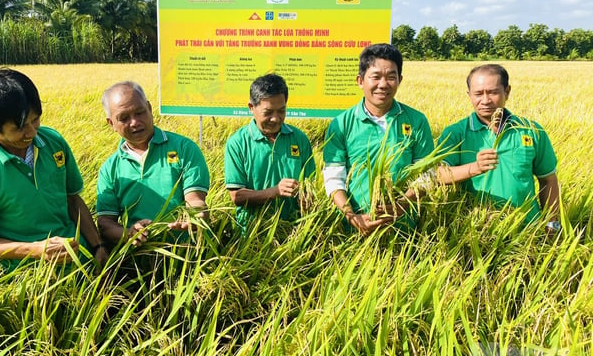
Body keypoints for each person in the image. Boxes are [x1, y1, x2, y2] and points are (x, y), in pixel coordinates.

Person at [0, 67, 107, 272]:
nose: (31, 132)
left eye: (36, 120)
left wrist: (98, 246)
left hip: (80, 263)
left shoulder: (53, 142)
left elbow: (72, 199)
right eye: (19, 127)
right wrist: (37, 250)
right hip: (25, 276)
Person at [322, 43, 435, 234]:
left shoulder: (416, 121)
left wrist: (402, 205)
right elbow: (334, 178)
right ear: (360, 81)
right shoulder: (341, 124)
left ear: (400, 80)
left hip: (404, 231)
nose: (383, 84)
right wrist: (351, 216)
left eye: (391, 77)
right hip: (354, 229)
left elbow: (427, 173)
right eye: (375, 77)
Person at [437, 63, 560, 232]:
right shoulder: (456, 133)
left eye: (493, 92)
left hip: (527, 231)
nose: (485, 100)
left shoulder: (531, 131)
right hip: (474, 230)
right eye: (478, 94)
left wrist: (552, 223)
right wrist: (475, 168)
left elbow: (548, 179)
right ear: (469, 95)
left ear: (507, 91)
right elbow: (438, 175)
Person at [96, 81, 209, 248]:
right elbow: (105, 223)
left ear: (149, 108)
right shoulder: (110, 168)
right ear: (111, 123)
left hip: (186, 254)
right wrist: (128, 233)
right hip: (136, 259)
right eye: (124, 118)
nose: (134, 122)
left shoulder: (184, 148)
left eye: (140, 112)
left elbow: (195, 199)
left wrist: (194, 216)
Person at [224, 73, 316, 229]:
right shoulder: (237, 143)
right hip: (253, 235)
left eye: (281, 111)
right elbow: (236, 196)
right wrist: (275, 192)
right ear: (251, 108)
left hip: (294, 231)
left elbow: (309, 184)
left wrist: (306, 198)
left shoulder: (299, 139)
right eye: (268, 112)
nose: (275, 118)